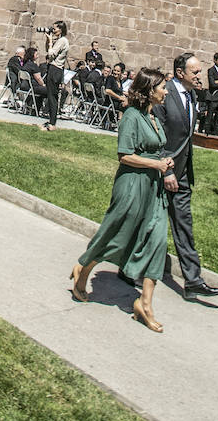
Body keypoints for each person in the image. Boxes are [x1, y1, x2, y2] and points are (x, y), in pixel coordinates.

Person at [69, 68, 175, 332]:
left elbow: (156, 150)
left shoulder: (153, 118)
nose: (166, 91)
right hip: (132, 185)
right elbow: (124, 155)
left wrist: (164, 163)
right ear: (150, 90)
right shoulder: (131, 116)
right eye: (163, 87)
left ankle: (145, 305)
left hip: (154, 187)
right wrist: (156, 164)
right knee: (118, 235)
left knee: (157, 240)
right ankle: (84, 268)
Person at [153, 51, 218, 301]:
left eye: (199, 71)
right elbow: (158, 136)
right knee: (148, 222)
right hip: (163, 172)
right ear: (180, 73)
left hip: (183, 173)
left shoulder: (192, 95)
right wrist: (167, 170)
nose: (199, 75)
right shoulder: (164, 94)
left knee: (184, 225)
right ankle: (129, 268)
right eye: (195, 71)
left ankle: (193, 281)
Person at [41, 20, 69, 131]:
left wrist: (51, 41)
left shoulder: (62, 40)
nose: (53, 30)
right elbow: (48, 52)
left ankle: (52, 123)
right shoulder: (61, 40)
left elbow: (51, 54)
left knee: (52, 97)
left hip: (55, 69)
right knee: (51, 96)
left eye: (55, 28)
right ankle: (51, 121)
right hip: (55, 69)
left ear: (61, 29)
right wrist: (48, 40)